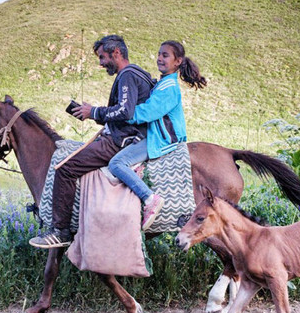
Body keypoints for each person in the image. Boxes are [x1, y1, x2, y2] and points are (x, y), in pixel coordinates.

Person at [29, 35, 154, 248]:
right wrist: (91, 114)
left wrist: (94, 110)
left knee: (65, 168)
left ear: (116, 53)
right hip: (126, 135)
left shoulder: (127, 76)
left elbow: (126, 111)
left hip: (121, 142)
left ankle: (61, 231)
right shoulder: (137, 73)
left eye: (103, 57)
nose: (101, 63)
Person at [107, 40, 207, 230]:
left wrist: (121, 116)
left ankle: (149, 198)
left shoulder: (169, 88)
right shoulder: (163, 83)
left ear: (178, 61)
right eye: (159, 54)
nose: (160, 59)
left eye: (165, 55)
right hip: (154, 134)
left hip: (161, 138)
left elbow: (148, 112)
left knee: (116, 163)